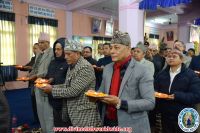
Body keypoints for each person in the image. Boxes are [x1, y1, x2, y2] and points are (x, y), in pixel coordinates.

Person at [97, 31, 155, 133]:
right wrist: (95, 96)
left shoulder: (142, 70)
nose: (112, 51)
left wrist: (120, 103)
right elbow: (102, 91)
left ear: (128, 48)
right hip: (108, 122)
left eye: (116, 47)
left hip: (131, 125)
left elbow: (149, 102)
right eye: (111, 48)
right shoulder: (107, 68)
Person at [40, 39, 102, 128]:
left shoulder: (85, 67)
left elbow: (73, 91)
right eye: (65, 54)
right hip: (73, 111)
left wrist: (52, 90)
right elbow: (67, 85)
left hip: (84, 114)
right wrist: (51, 86)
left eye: (68, 54)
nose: (65, 57)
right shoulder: (73, 65)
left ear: (78, 53)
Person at [155, 49, 200, 133]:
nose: (171, 58)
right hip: (166, 115)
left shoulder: (190, 75)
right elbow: (155, 90)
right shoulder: (161, 74)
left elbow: (197, 96)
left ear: (181, 59)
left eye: (174, 56)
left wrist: (177, 96)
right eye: (169, 56)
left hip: (185, 115)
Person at [28, 32, 54, 133]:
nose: (40, 45)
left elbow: (49, 70)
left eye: (42, 42)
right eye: (39, 43)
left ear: (48, 42)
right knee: (40, 112)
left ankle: (49, 130)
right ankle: (43, 129)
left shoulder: (52, 53)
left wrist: (37, 76)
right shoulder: (39, 53)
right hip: (37, 86)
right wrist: (29, 76)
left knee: (48, 114)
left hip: (46, 85)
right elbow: (35, 67)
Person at [45, 38, 68, 129]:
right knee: (56, 123)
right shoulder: (53, 62)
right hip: (52, 97)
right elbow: (49, 75)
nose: (56, 51)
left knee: (65, 125)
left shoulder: (68, 62)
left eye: (59, 49)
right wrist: (48, 79)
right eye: (55, 49)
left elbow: (68, 82)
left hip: (64, 100)